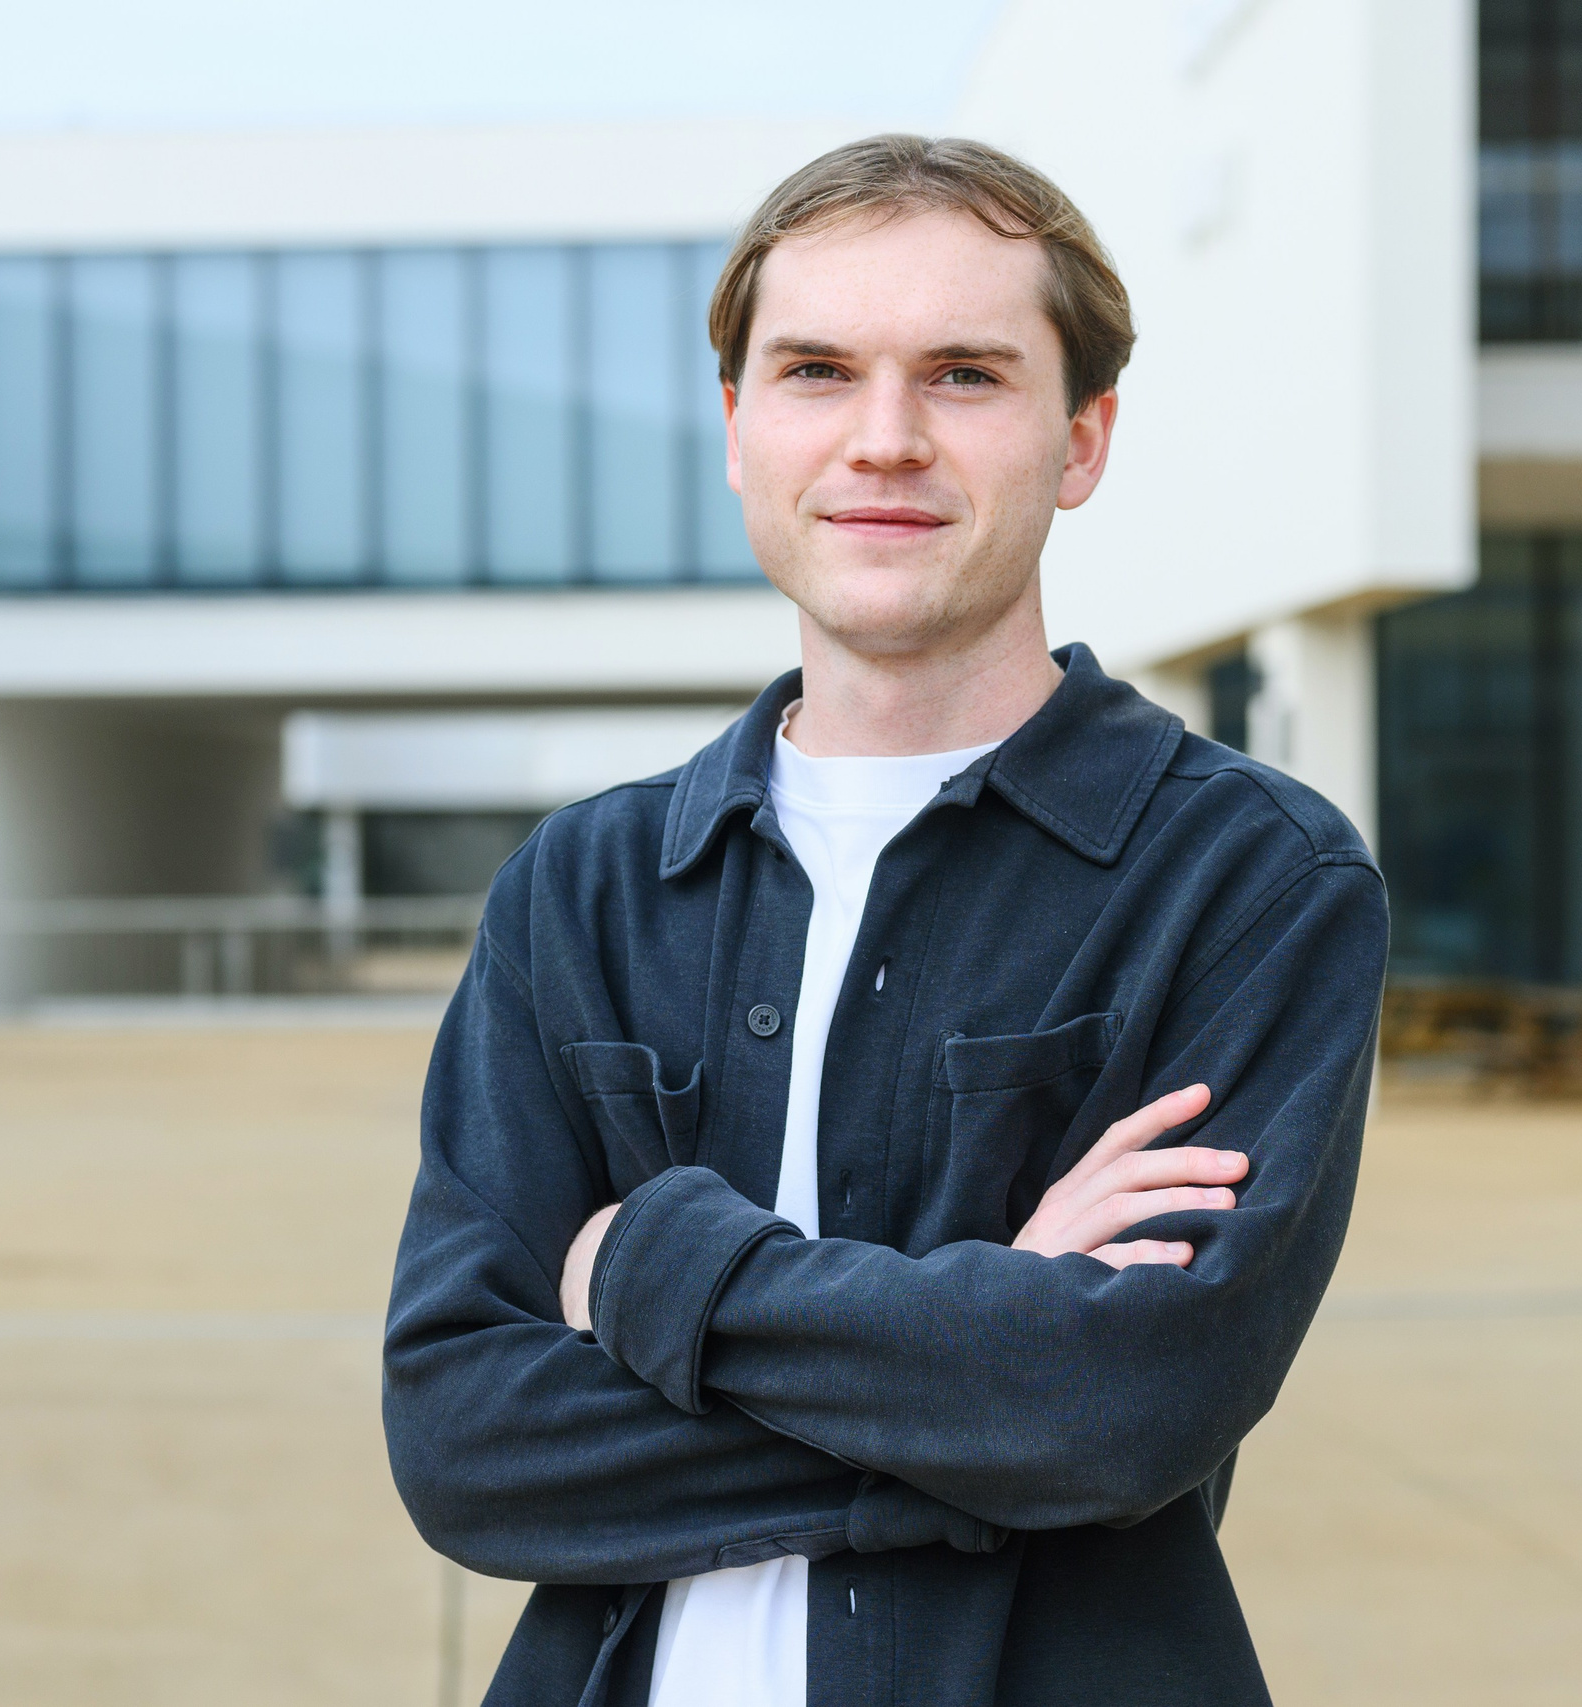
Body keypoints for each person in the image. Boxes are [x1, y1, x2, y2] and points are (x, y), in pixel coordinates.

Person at [383, 133, 1390, 1707]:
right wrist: (994, 1351)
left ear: (1082, 438)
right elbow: (469, 1446)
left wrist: (651, 1268)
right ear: (738, 427)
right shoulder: (580, 889)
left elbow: (1123, 1407)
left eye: (965, 376)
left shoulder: (1251, 879)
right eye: (817, 372)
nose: (885, 439)